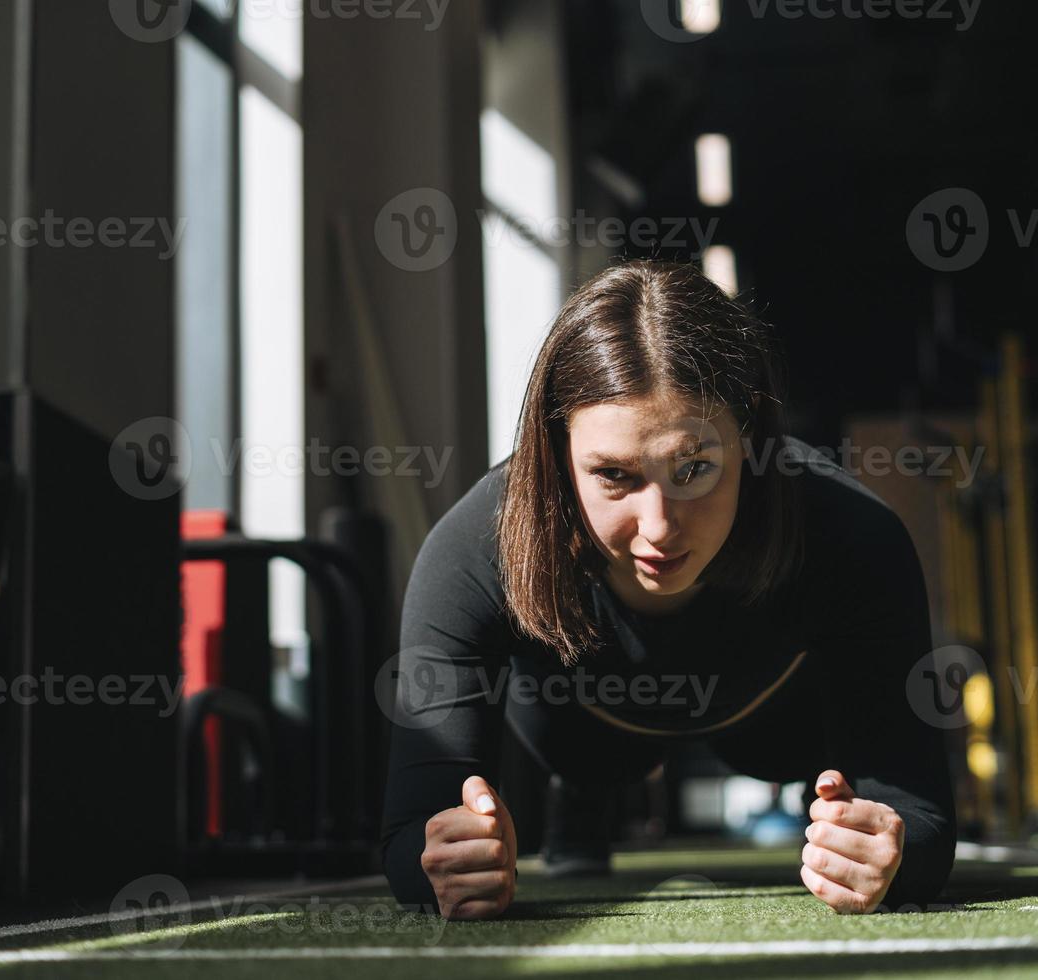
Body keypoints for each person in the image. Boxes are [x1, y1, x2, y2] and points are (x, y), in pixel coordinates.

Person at [378, 259, 956, 920]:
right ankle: (582, 795)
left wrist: (880, 846)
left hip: (774, 720)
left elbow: (922, 816)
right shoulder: (472, 553)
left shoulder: (854, 537)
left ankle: (822, 808)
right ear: (560, 460)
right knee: (591, 760)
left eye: (696, 468)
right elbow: (409, 834)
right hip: (582, 724)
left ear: (750, 441)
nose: (660, 527)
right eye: (616, 476)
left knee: (783, 753)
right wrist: (447, 862)